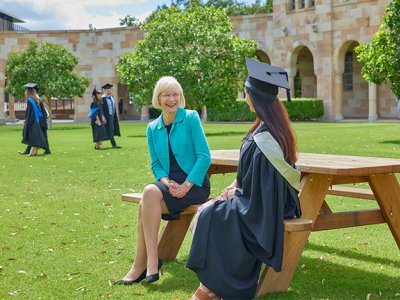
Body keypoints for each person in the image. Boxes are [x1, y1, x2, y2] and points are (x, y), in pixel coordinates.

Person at [186, 58, 302, 300]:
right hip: (263, 199)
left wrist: (237, 194)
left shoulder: (265, 137)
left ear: (254, 98)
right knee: (213, 212)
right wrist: (235, 187)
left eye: (246, 92)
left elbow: (263, 186)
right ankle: (212, 288)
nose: (245, 97)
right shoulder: (269, 127)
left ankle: (213, 289)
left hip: (267, 205)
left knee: (215, 216)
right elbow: (252, 178)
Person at [115, 76, 211, 285]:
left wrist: (186, 186)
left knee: (146, 199)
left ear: (181, 96)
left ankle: (145, 264)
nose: (172, 99)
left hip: (195, 185)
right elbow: (156, 165)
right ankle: (148, 263)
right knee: (149, 195)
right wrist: (168, 184)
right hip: (169, 184)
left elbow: (204, 156)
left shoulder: (191, 118)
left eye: (175, 94)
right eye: (166, 94)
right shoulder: (152, 128)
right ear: (158, 98)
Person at [20, 83, 51, 156]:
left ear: (27, 92)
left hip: (35, 121)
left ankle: (30, 151)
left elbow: (29, 112)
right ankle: (46, 150)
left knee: (33, 135)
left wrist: (27, 121)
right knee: (42, 135)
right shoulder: (38, 99)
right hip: (41, 119)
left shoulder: (30, 100)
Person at [101, 83, 121, 148]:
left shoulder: (112, 97)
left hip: (112, 116)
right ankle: (114, 144)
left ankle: (98, 144)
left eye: (109, 89)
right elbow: (101, 109)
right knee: (108, 130)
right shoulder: (103, 99)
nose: (108, 90)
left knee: (110, 130)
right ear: (105, 91)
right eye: (107, 89)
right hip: (106, 117)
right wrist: (103, 117)